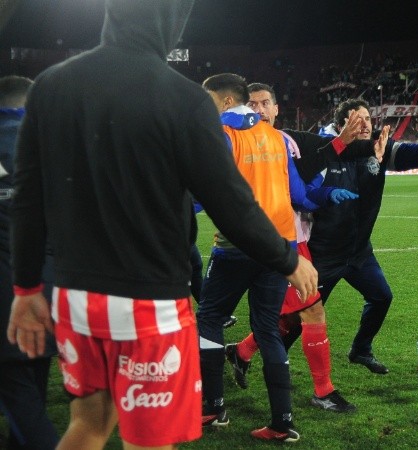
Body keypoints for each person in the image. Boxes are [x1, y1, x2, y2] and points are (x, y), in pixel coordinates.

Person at [7, 2, 317, 448]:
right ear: (172, 19)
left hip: (78, 297)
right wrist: (287, 259)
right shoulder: (184, 98)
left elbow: (28, 199)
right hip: (149, 301)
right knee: (149, 440)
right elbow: (231, 204)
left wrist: (25, 289)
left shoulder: (52, 85)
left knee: (89, 424)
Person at [223, 82, 386, 413]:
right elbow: (298, 189)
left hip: (293, 239)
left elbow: (306, 183)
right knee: (307, 312)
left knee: (296, 315)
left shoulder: (286, 140)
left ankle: (238, 355)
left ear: (276, 108)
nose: (259, 110)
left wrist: (328, 189)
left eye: (265, 103)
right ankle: (316, 393)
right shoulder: (237, 141)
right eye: (252, 105)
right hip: (272, 241)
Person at [276, 97, 418, 376]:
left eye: (368, 119)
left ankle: (361, 349)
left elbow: (417, 153)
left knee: (381, 297)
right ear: (341, 125)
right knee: (300, 316)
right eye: (359, 120)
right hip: (323, 253)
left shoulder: (379, 148)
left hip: (359, 251)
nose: (366, 125)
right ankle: (271, 358)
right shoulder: (323, 149)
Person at [197, 73, 327, 442]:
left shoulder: (221, 133)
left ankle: (213, 406)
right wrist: (327, 192)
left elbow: (205, 193)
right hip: (280, 247)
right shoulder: (276, 137)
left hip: (237, 245)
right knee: (268, 327)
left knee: (209, 318)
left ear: (225, 101)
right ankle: (282, 422)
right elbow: (298, 195)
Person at [0, 75, 59, 450]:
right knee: (31, 387)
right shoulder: (58, 144)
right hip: (52, 290)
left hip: (8, 295)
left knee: (22, 404)